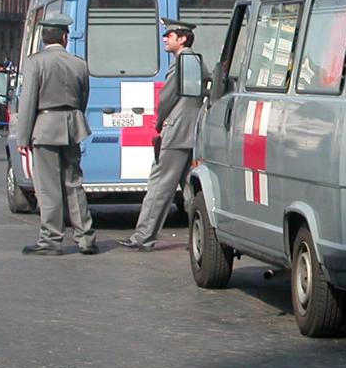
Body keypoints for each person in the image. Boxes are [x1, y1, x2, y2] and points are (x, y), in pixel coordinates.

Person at [118, 18, 209, 252]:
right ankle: (201, 237)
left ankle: (143, 236)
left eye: (169, 35)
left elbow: (166, 97)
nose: (165, 39)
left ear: (182, 39)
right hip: (193, 132)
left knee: (159, 186)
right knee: (191, 189)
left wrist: (159, 123)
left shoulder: (180, 62)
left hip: (176, 131)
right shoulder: (198, 62)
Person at [16, 16, 98, 256]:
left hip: (45, 125)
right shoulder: (79, 64)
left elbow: (28, 101)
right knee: (74, 183)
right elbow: (83, 98)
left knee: (48, 187)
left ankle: (51, 239)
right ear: (65, 38)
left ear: (43, 39)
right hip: (72, 124)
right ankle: (86, 237)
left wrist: (23, 137)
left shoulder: (35, 63)